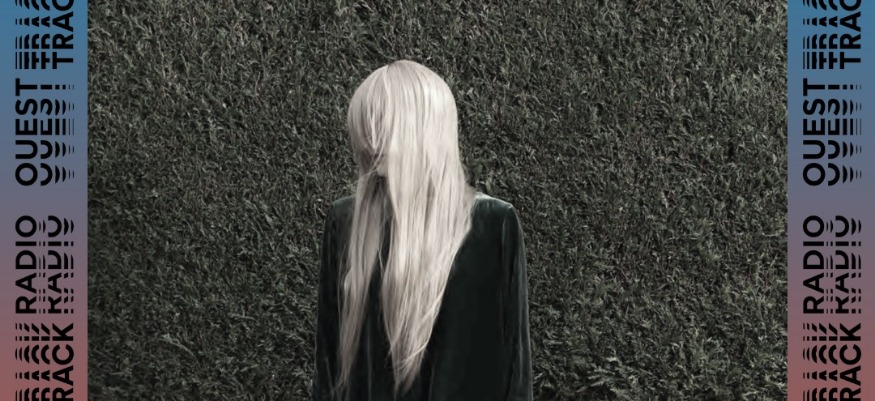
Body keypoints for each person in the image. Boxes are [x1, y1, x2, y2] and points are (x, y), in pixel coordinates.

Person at [313, 60, 533, 401]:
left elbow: (514, 368)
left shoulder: (492, 224)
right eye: (366, 126)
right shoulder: (346, 221)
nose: (370, 141)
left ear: (423, 129)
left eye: (382, 125)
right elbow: (328, 364)